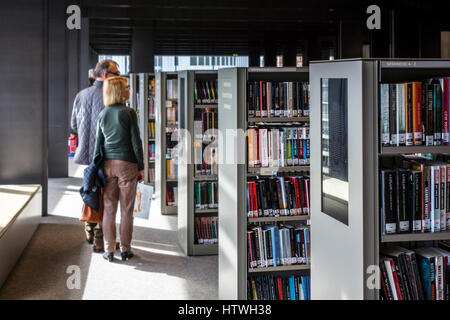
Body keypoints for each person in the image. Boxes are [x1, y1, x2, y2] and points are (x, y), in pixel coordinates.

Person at [93, 76, 144, 262]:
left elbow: (97, 145)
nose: (129, 89)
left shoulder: (103, 113)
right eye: (126, 86)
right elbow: (136, 143)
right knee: (126, 210)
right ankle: (125, 249)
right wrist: (141, 166)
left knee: (108, 209)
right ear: (120, 91)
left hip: (107, 165)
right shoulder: (129, 112)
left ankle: (108, 250)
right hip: (127, 165)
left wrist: (95, 169)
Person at [71, 59, 120, 252]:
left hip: (85, 151)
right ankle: (100, 237)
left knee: (90, 187)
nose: (118, 77)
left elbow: (73, 125)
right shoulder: (111, 96)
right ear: (106, 75)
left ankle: (89, 230)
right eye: (116, 73)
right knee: (106, 193)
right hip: (106, 153)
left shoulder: (81, 95)